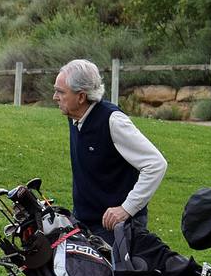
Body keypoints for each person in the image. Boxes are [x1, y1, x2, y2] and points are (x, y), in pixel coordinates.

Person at [53, 59, 168, 245]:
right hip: (86, 223)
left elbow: (155, 164)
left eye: (60, 92)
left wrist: (127, 209)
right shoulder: (75, 116)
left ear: (81, 97)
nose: (55, 97)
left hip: (117, 228)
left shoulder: (112, 120)